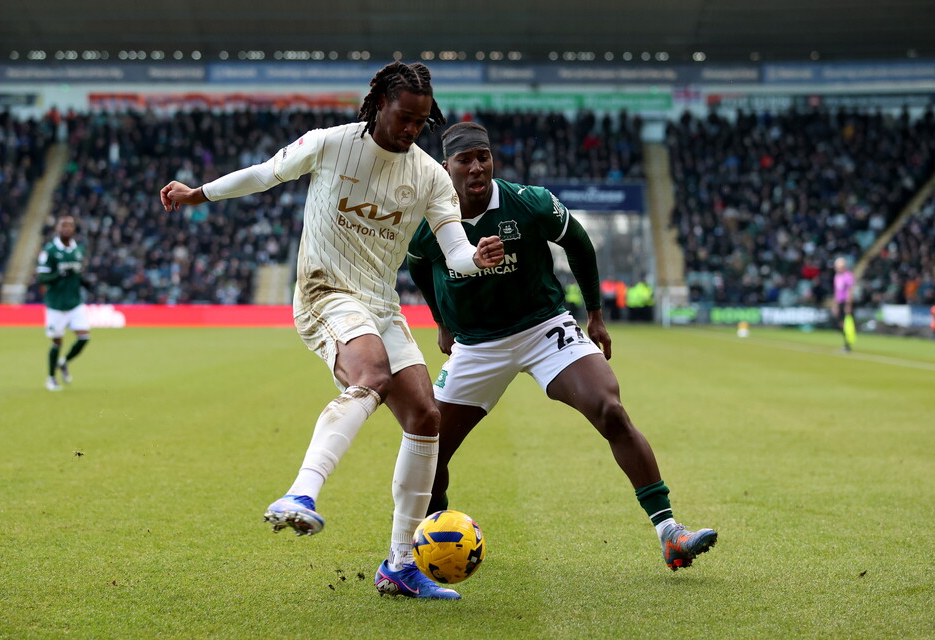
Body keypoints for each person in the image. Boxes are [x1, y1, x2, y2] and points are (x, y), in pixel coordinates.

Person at [159, 62, 504, 600]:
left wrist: (477, 258)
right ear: (379, 105)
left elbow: (454, 249)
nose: (413, 128)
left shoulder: (431, 177)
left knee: (426, 415)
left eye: (422, 121)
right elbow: (264, 173)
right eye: (405, 117)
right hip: (324, 291)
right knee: (370, 373)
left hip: (379, 305)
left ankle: (399, 566)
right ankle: (301, 494)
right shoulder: (331, 144)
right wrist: (197, 194)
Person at [406, 122, 717, 571]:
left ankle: (670, 532)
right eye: (465, 160)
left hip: (543, 328)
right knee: (428, 448)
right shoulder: (429, 219)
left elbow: (579, 242)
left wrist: (594, 313)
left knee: (610, 409)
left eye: (484, 157)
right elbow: (419, 270)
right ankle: (427, 546)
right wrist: (442, 322)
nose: (477, 167)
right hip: (476, 346)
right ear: (445, 167)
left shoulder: (528, 202)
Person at [36, 215, 91, 392]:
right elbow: (42, 277)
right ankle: (51, 378)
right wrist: (59, 274)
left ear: (74, 229)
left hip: (75, 302)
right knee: (57, 342)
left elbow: (77, 274)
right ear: (57, 229)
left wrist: (84, 282)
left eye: (70, 225)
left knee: (84, 337)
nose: (67, 228)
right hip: (56, 304)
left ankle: (63, 362)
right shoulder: (50, 251)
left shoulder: (79, 250)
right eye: (63, 225)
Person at [832, 257, 855, 352]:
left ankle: (847, 344)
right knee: (840, 324)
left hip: (845, 302)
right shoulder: (837, 276)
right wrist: (835, 305)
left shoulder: (848, 276)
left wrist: (848, 305)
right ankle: (846, 343)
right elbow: (836, 292)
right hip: (840, 302)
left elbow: (849, 291)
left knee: (846, 324)